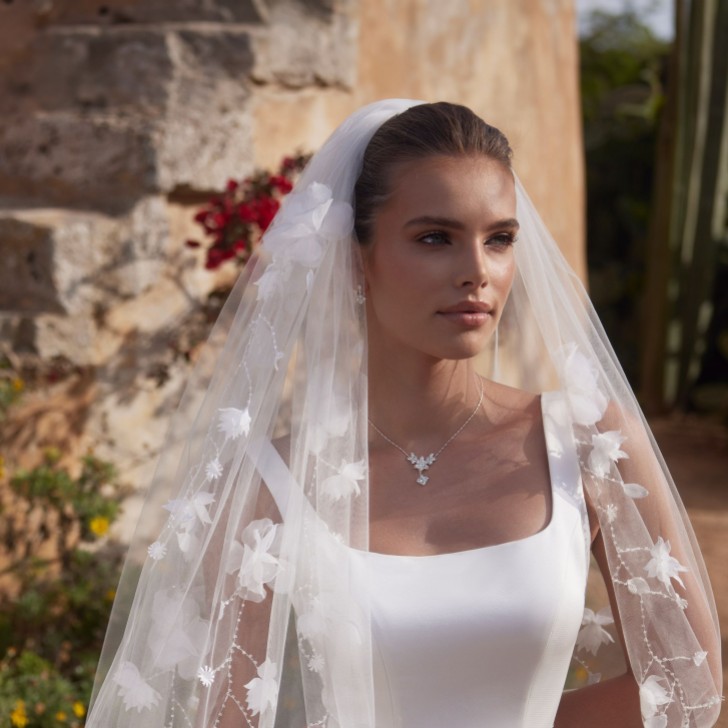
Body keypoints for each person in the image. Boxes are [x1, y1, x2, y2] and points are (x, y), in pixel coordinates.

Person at [87, 100, 722, 727]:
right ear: (357, 256)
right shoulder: (267, 485)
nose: (477, 271)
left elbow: (688, 681)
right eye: (434, 238)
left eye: (499, 239)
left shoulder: (590, 443)